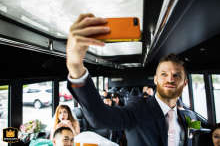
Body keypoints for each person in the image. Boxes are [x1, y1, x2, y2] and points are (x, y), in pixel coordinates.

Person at [66, 13, 194, 146]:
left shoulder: (187, 118)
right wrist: (75, 67)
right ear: (155, 80)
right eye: (164, 74)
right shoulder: (138, 108)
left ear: (185, 83)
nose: (170, 79)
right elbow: (100, 117)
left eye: (177, 75)